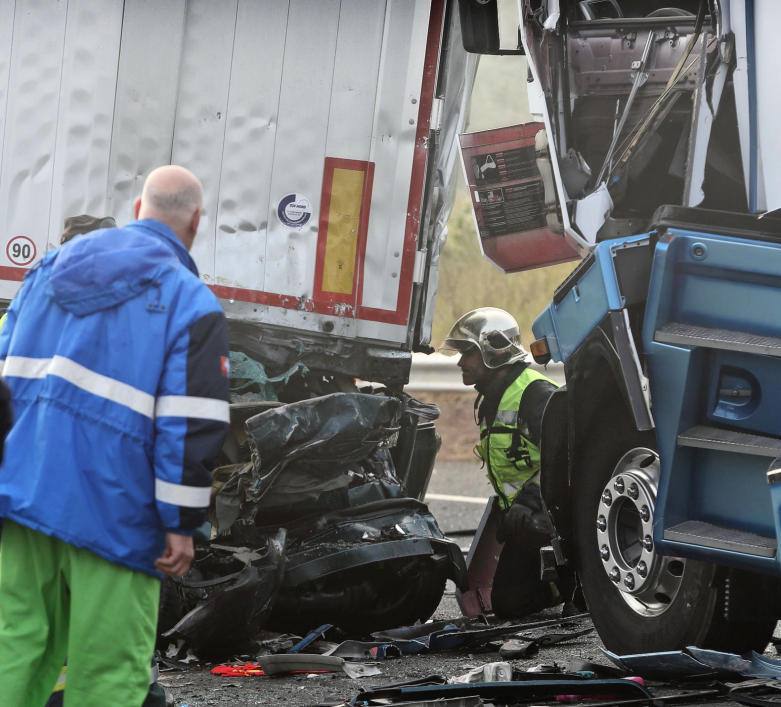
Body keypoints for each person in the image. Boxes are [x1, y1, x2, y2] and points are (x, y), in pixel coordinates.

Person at [0, 165, 230, 706]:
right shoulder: (191, 303)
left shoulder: (47, 270)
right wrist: (179, 523)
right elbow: (189, 424)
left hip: (23, 494)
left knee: (15, 648)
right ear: (196, 222)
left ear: (137, 210)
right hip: (116, 512)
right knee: (108, 668)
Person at [442, 307, 571, 618]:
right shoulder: (493, 397)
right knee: (508, 604)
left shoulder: (534, 394)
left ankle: (578, 584)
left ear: (495, 350)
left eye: (468, 353)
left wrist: (532, 500)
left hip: (558, 518)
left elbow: (569, 459)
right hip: (526, 521)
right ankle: (558, 585)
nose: (461, 363)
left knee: (525, 598)